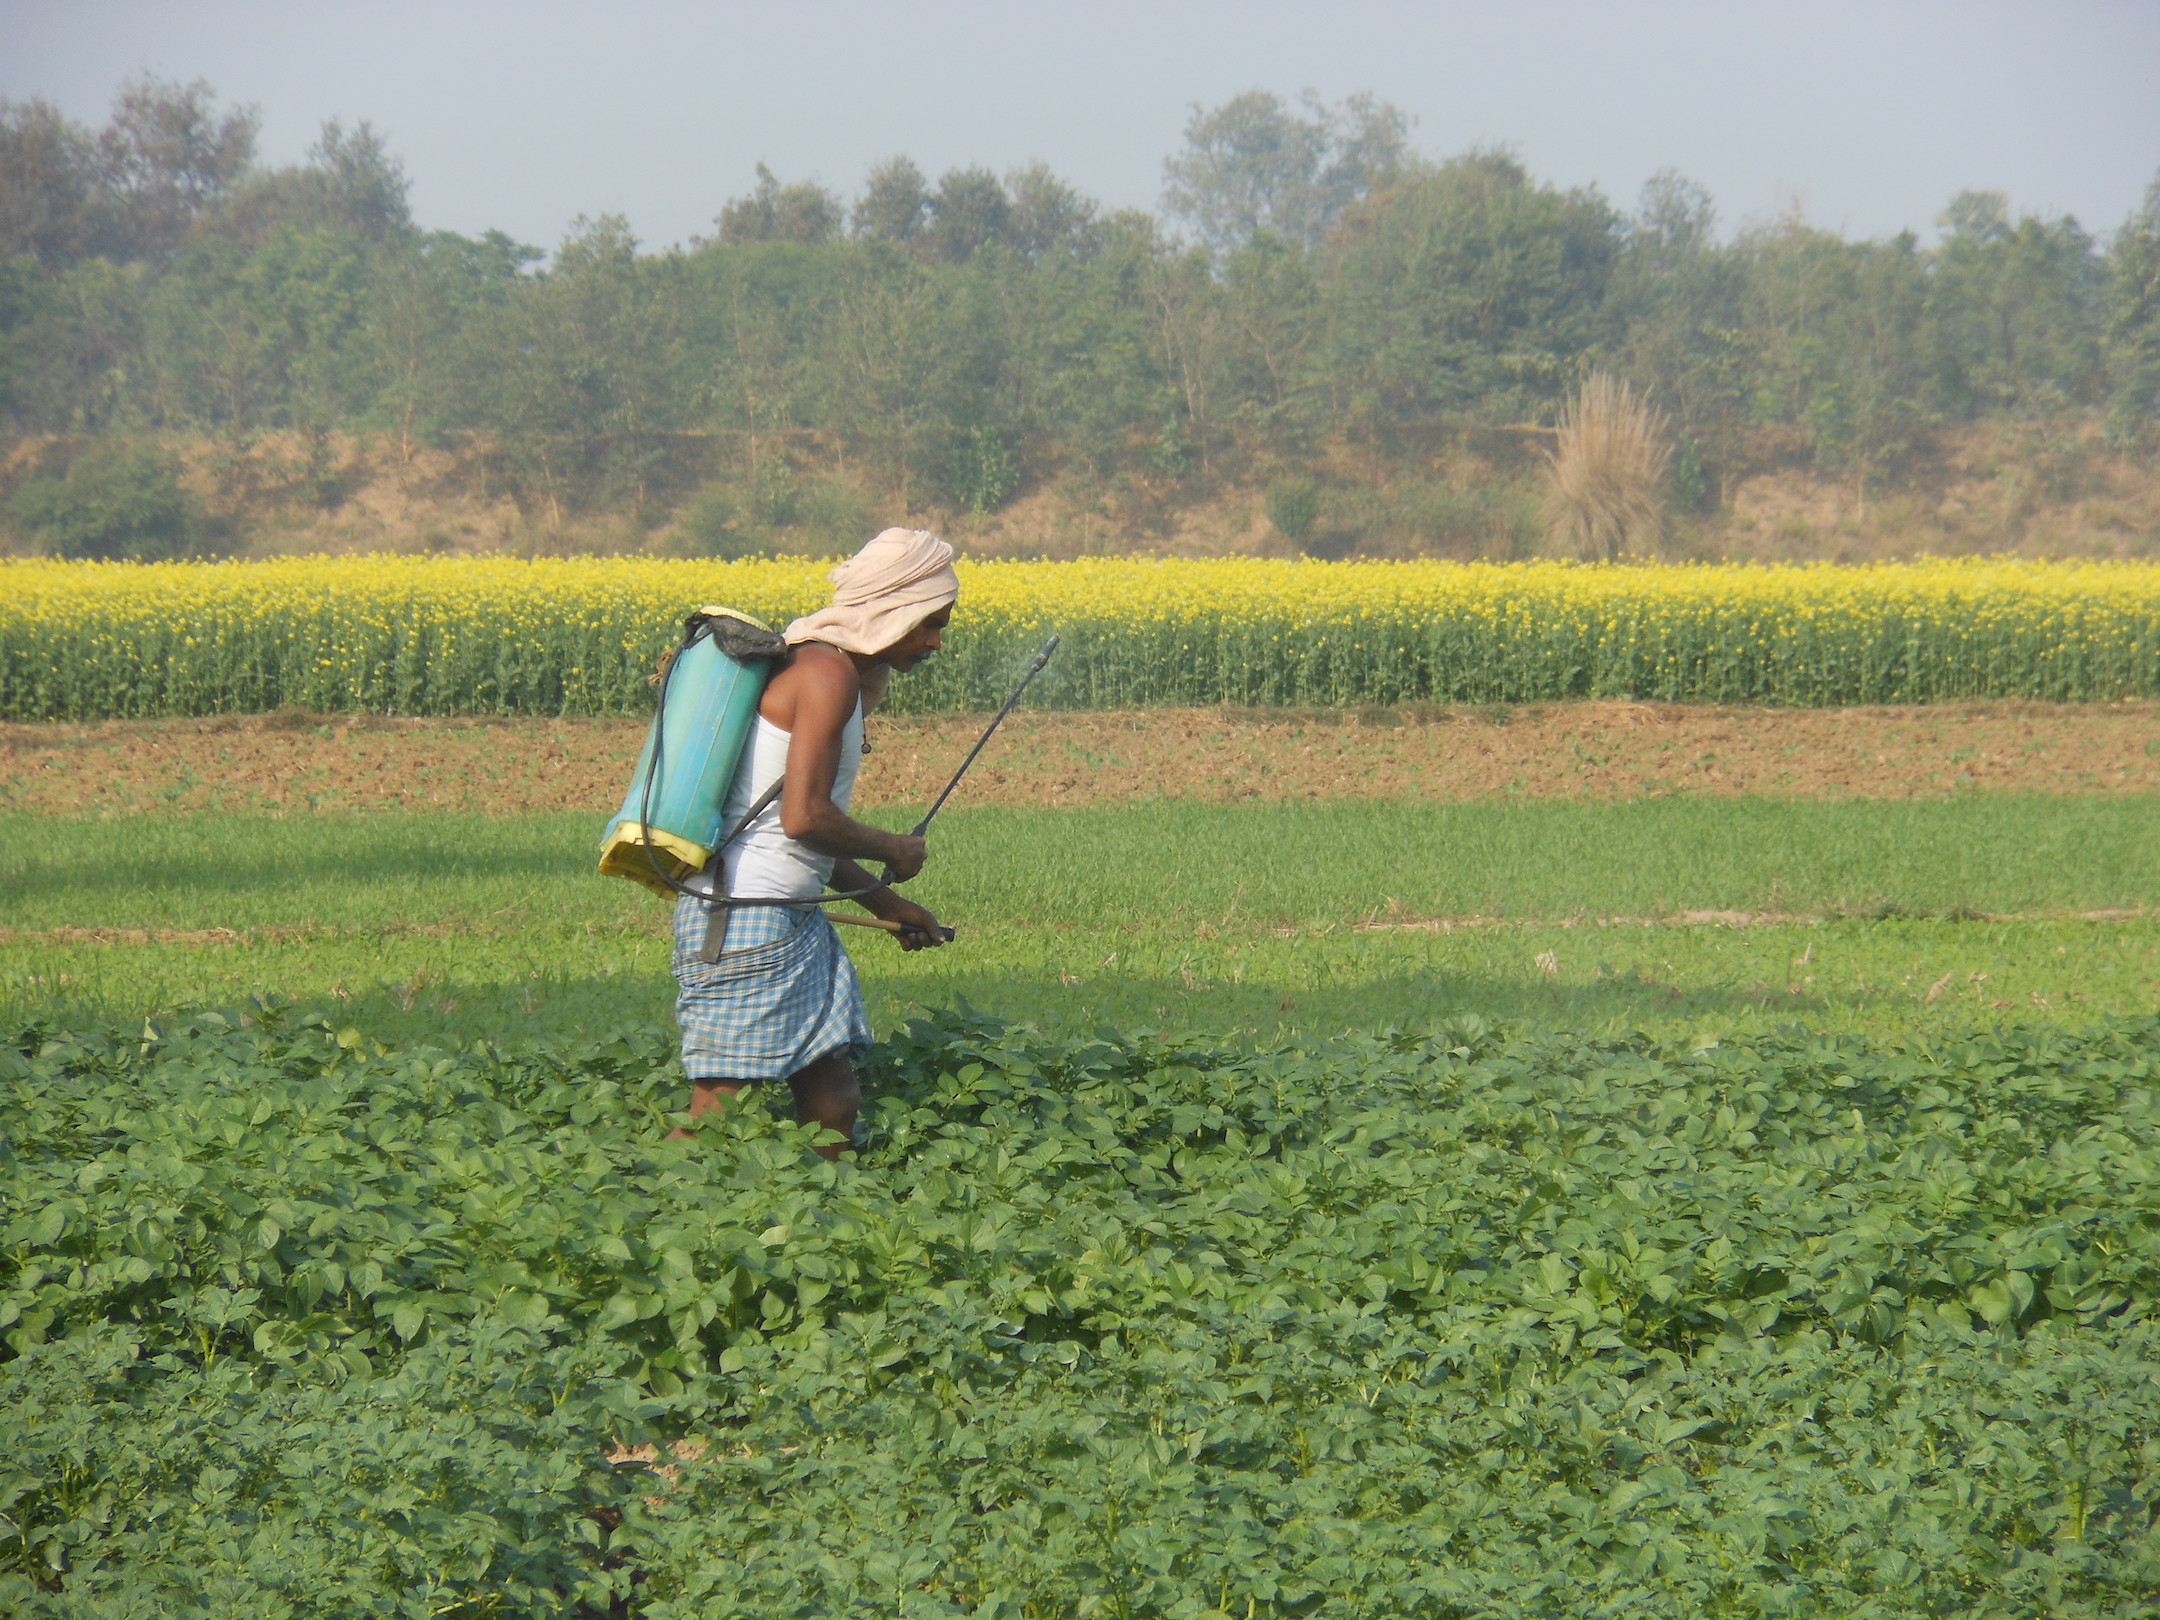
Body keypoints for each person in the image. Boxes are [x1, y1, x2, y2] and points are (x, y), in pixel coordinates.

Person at [670, 527, 955, 1157]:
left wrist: (887, 903)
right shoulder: (826, 676)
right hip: (745, 918)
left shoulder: (820, 667)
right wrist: (894, 849)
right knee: (716, 1109)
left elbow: (789, 835)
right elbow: (804, 818)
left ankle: (825, 1221)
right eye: (929, 623)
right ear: (891, 610)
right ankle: (654, 1212)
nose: (935, 641)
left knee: (832, 1096)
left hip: (782, 915)